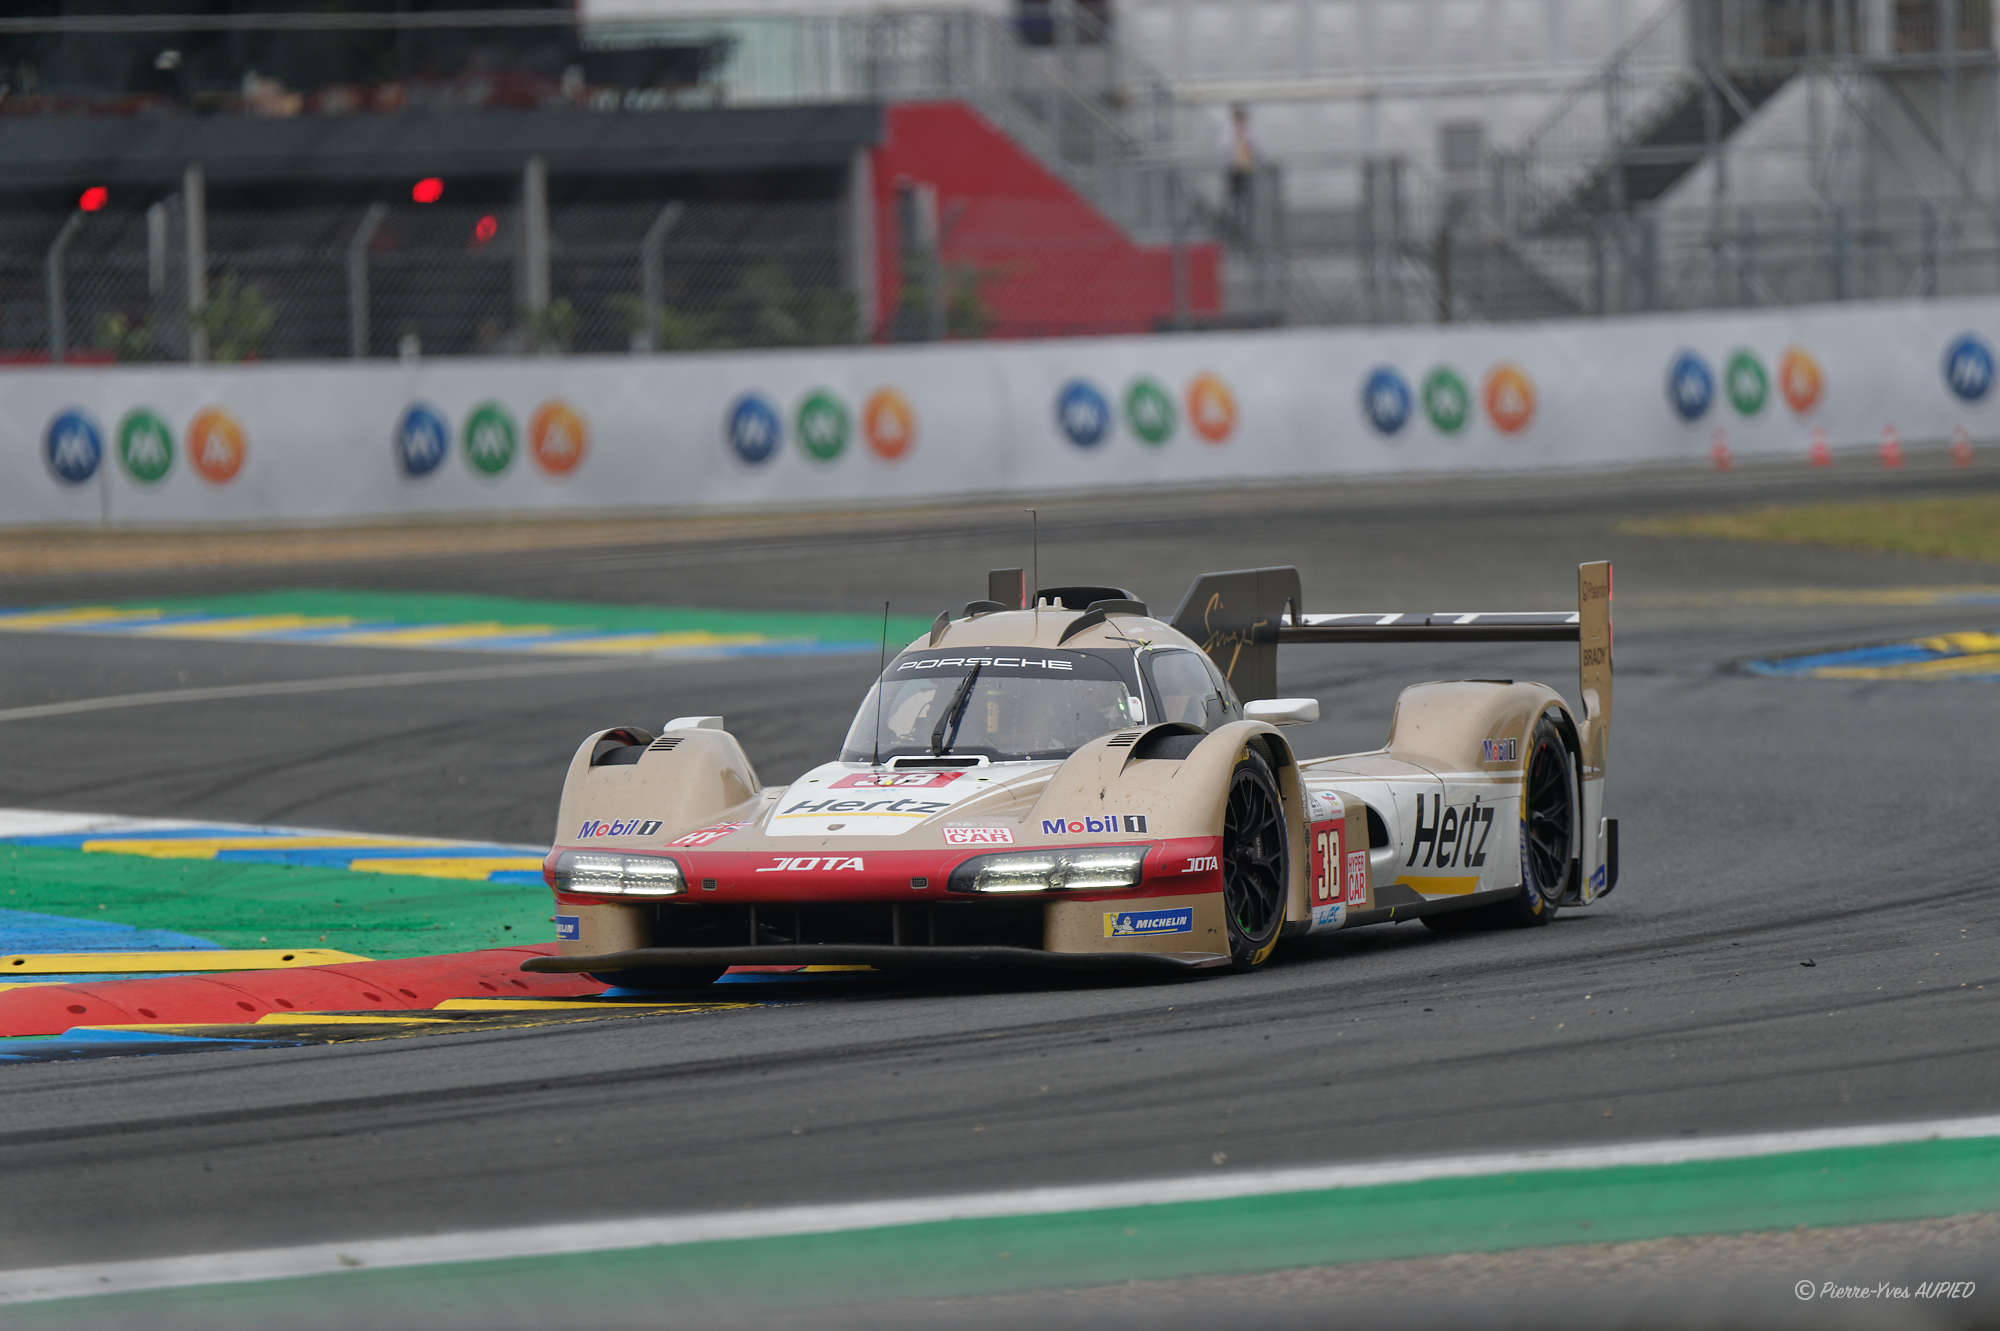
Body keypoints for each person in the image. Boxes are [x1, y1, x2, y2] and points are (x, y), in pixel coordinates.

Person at [1224, 103, 1256, 239]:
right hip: (1234, 171)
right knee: (1235, 202)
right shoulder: (1228, 134)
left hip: (1247, 171)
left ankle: (1247, 229)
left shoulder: (1250, 133)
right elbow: (1224, 149)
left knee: (1248, 201)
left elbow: (1257, 150)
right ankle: (1236, 229)